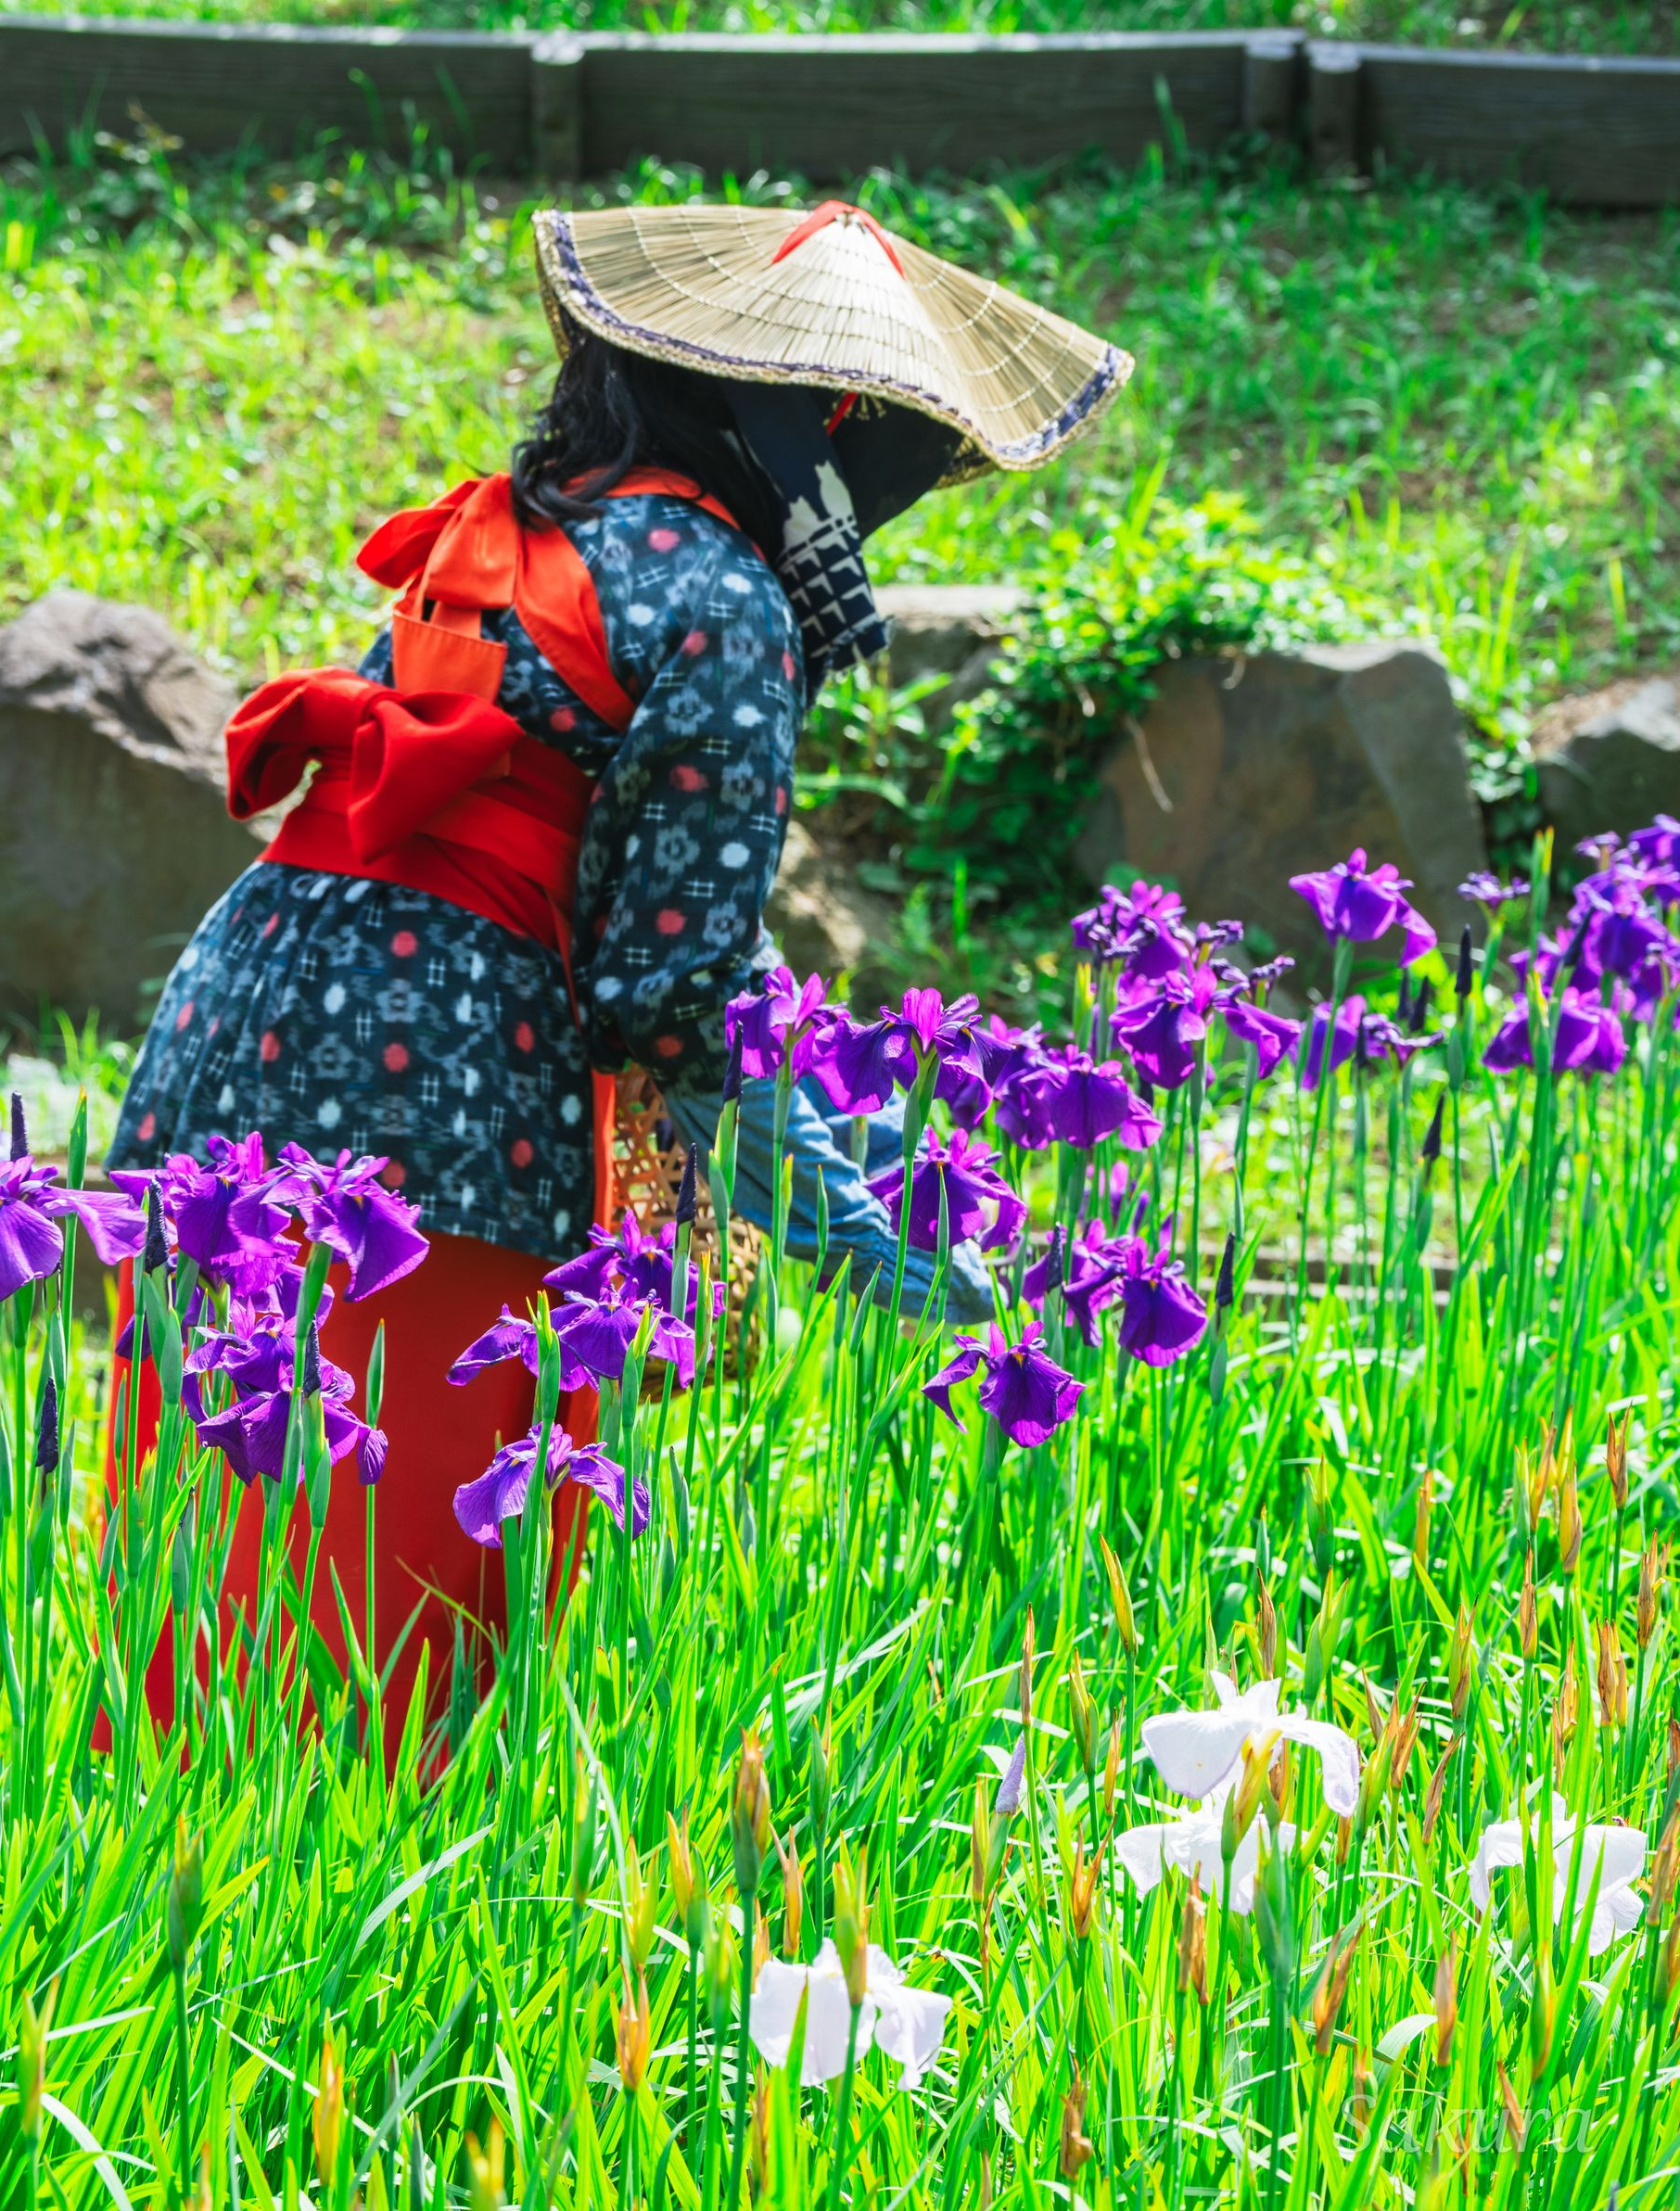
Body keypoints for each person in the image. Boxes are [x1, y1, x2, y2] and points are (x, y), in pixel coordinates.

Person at [106, 199, 1132, 1734]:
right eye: (873, 433)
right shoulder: (721, 594)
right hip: (447, 1094)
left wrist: (814, 1139)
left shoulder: (515, 527)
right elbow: (666, 978)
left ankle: (181, 1851)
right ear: (800, 424)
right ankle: (344, 1871)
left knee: (209, 1551)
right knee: (389, 1602)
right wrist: (820, 1197)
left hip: (239, 1021)